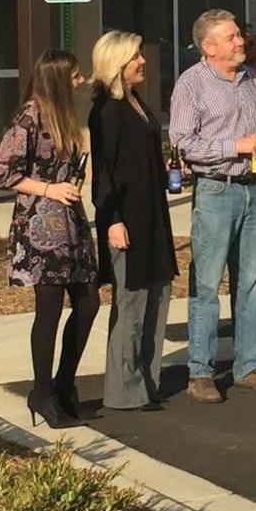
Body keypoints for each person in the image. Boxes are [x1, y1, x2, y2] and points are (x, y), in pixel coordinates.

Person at [168, 9, 256, 402]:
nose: (240, 42)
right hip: (213, 191)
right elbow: (182, 144)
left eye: (239, 34)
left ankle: (249, 366)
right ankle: (200, 372)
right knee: (207, 284)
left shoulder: (251, 79)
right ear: (208, 47)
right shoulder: (191, 85)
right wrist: (233, 146)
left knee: (253, 280)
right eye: (230, 37)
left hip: (250, 192)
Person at [0, 47, 99, 429]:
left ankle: (66, 385)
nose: (80, 81)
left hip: (71, 224)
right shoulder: (28, 117)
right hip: (40, 228)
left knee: (88, 302)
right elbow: (2, 173)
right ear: (55, 79)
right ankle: (42, 391)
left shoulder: (64, 116)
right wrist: (49, 189)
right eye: (74, 76)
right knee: (48, 308)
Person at [89, 29, 177, 413]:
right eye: (135, 56)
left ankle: (147, 380)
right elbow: (104, 172)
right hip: (126, 219)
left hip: (153, 215)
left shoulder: (137, 102)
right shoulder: (106, 111)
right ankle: (125, 390)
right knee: (131, 304)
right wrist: (112, 220)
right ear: (116, 63)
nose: (143, 61)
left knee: (157, 294)